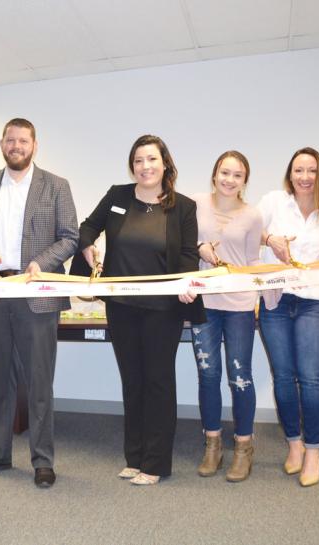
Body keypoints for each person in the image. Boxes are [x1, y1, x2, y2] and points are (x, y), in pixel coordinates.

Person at [0, 118, 78, 488]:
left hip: (36, 293)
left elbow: (70, 237)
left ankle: (43, 460)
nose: (16, 146)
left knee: (39, 380)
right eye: (10, 140)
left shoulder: (56, 186)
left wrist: (42, 263)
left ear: (34, 145)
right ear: (2, 144)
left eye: (23, 141)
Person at [78, 134, 204, 485]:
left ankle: (156, 463)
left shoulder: (184, 207)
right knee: (132, 381)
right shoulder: (118, 196)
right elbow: (88, 226)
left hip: (162, 309)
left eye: (151, 159)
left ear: (165, 163)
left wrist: (186, 285)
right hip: (121, 306)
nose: (145, 167)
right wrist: (87, 245)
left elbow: (188, 256)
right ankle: (134, 457)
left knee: (158, 382)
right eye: (138, 161)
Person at [258, 147, 319, 487]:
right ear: (289, 174)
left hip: (314, 300)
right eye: (299, 170)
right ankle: (293, 444)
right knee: (282, 376)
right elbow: (250, 231)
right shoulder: (273, 202)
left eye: (311, 171)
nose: (305, 177)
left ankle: (313, 450)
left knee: (310, 378)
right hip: (276, 299)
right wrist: (271, 238)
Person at [192, 151, 262, 482]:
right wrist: (198, 247)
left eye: (237, 175)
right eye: (224, 172)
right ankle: (212, 445)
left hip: (239, 305)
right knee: (208, 375)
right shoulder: (195, 204)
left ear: (244, 181)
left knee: (239, 377)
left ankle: (244, 448)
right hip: (205, 303)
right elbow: (179, 241)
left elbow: (251, 261)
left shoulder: (252, 215)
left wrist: (260, 297)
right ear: (214, 174)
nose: (229, 180)